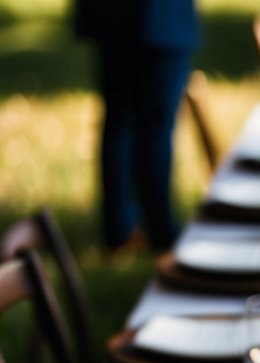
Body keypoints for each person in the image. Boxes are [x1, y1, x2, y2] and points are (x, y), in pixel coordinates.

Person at [75, 0, 199, 251]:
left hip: (111, 15)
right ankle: (159, 229)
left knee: (119, 120)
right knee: (155, 125)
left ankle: (120, 228)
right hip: (162, 16)